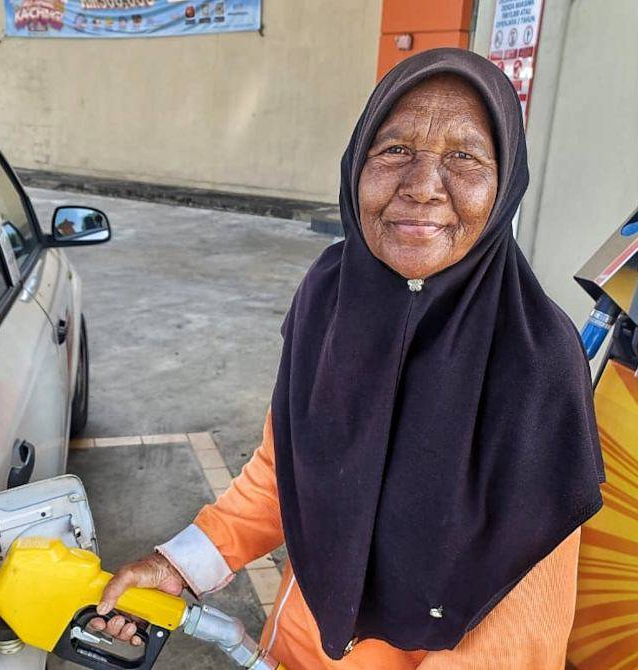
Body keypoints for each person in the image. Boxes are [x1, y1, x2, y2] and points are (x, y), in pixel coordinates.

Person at [92, 48, 605, 669]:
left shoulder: (537, 363)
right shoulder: (331, 297)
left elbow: (520, 631)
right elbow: (288, 470)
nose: (422, 187)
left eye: (464, 157)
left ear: (505, 186)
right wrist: (179, 564)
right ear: (355, 165)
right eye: (394, 151)